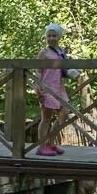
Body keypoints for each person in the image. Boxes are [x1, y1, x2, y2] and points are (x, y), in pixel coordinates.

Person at [34, 23, 71, 156]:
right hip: (47, 87)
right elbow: (38, 71)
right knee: (46, 117)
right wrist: (38, 88)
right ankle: (42, 146)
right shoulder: (44, 52)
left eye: (54, 35)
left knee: (64, 113)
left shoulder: (61, 51)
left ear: (59, 37)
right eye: (49, 36)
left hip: (59, 87)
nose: (51, 38)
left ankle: (50, 142)